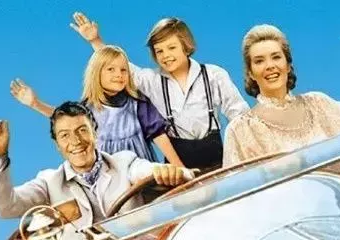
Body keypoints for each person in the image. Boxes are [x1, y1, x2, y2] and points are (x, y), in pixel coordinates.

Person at [70, 12, 248, 172]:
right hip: (177, 168)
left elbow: (239, 114)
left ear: (186, 46)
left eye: (172, 48)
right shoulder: (152, 80)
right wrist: (95, 41)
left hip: (218, 161)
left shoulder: (213, 75)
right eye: (159, 51)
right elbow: (121, 68)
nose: (165, 55)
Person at [0, 101, 193, 229]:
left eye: (82, 130)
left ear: (95, 133)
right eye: (65, 135)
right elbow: (3, 207)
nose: (76, 141)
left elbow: (149, 171)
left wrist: (167, 172)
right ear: (57, 145)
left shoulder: (125, 162)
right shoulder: (48, 183)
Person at [221, 24, 340, 168]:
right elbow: (235, 189)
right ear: (250, 73)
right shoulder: (240, 130)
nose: (270, 66)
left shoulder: (318, 103)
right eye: (259, 61)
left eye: (276, 57)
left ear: (288, 65)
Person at [9, 45, 185, 167]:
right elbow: (65, 117)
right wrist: (35, 104)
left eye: (123, 70)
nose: (119, 74)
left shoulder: (137, 103)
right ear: (96, 73)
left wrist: (179, 168)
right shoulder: (88, 109)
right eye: (111, 69)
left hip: (143, 176)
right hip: (107, 181)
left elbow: (159, 136)